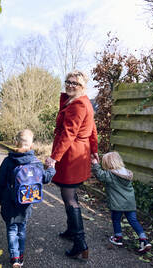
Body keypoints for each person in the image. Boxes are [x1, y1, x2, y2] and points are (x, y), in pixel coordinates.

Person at [45, 70, 98, 259]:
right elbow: (93, 130)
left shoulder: (78, 105)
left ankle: (80, 243)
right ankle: (71, 231)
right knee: (70, 194)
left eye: (74, 83)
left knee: (69, 198)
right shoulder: (83, 102)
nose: (69, 85)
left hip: (71, 156)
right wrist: (94, 151)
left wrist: (54, 158)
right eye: (68, 81)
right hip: (78, 155)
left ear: (82, 86)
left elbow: (69, 134)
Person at [0, 129, 56, 268]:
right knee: (22, 229)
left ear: (16, 142)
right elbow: (45, 178)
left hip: (9, 202)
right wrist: (51, 168)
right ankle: (21, 257)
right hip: (26, 202)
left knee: (11, 230)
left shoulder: (8, 161)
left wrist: (0, 199)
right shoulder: (36, 162)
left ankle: (14, 257)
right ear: (32, 145)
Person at [91, 151, 152, 253]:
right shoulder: (126, 173)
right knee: (133, 220)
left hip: (117, 204)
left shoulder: (111, 174)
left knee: (116, 219)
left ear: (108, 164)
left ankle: (118, 237)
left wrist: (95, 164)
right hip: (130, 203)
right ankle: (144, 240)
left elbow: (100, 175)